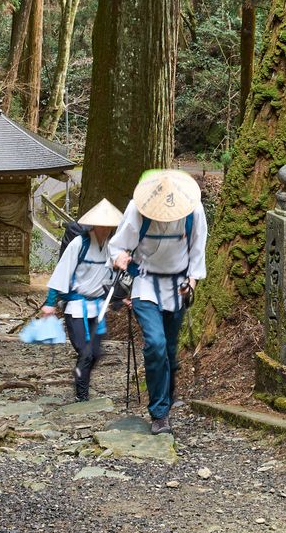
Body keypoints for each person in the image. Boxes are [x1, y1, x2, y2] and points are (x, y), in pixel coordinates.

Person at [109, 169, 206, 434]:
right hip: (145, 284)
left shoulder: (193, 211)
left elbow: (197, 253)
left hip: (178, 286)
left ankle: (167, 398)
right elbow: (117, 245)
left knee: (170, 352)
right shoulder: (137, 209)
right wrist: (119, 258)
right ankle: (159, 413)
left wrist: (191, 284)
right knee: (155, 344)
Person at [38, 199, 123, 402]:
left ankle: (79, 378)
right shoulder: (79, 244)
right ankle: (81, 396)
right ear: (94, 225)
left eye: (109, 226)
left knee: (95, 353)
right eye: (102, 225)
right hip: (76, 308)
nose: (106, 229)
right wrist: (50, 303)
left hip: (98, 308)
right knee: (85, 352)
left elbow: (114, 278)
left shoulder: (112, 247)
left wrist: (121, 300)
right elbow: (61, 274)